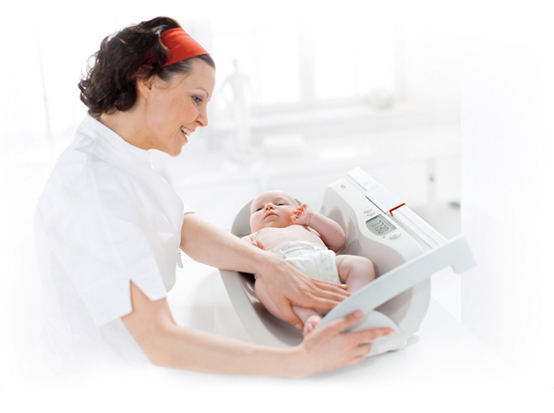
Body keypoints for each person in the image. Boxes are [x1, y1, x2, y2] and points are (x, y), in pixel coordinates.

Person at [34, 16, 394, 378]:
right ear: (146, 81)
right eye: (196, 98)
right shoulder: (95, 189)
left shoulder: (120, 155)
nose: (204, 119)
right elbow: (159, 342)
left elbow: (185, 230)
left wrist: (271, 265)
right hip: (101, 380)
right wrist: (298, 362)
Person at [245, 190, 376, 336]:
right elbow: (240, 260)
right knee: (261, 285)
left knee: (360, 264)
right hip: (281, 276)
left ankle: (353, 303)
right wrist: (251, 251)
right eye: (258, 209)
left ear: (298, 211)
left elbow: (339, 240)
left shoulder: (308, 228)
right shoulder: (253, 237)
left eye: (280, 204)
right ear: (251, 227)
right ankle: (307, 316)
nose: (268, 207)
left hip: (321, 262)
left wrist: (312, 218)